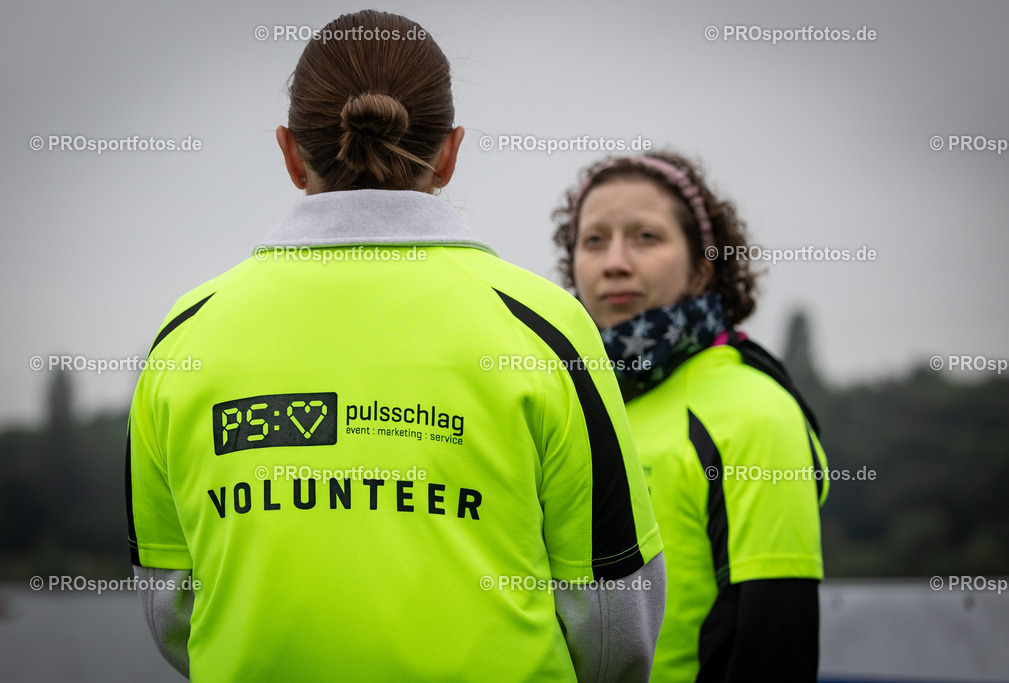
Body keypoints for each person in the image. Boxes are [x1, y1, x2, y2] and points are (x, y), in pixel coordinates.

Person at [125, 10, 665, 682]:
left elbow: (172, 611)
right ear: (450, 153)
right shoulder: (546, 327)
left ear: (290, 153)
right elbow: (616, 623)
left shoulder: (185, 335)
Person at [552, 152, 829, 682]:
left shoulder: (756, 413)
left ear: (702, 269)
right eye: (594, 240)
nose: (614, 262)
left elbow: (775, 645)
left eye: (645, 237)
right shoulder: (571, 399)